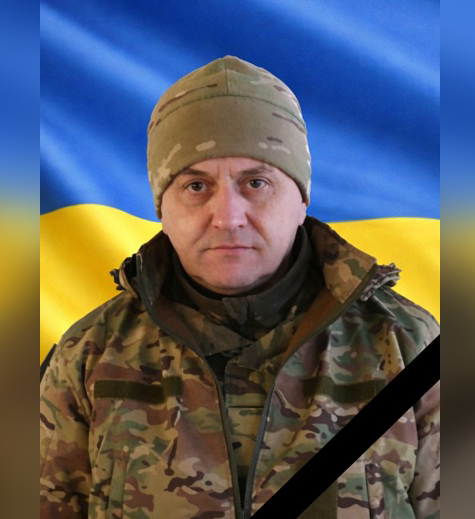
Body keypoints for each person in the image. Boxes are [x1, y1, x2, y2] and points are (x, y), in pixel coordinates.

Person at [40, 56, 440, 519]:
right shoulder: (89, 357)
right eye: (196, 186)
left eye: (256, 182)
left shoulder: (406, 346)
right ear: (162, 208)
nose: (228, 217)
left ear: (301, 199)